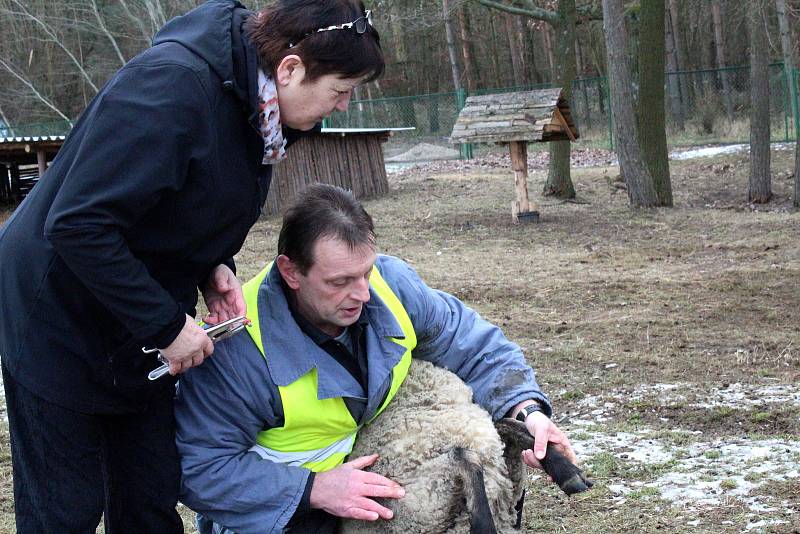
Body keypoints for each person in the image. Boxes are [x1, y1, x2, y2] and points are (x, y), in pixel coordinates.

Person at [0, 1, 383, 531]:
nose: (342, 106)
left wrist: (211, 266)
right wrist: (166, 325)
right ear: (291, 69)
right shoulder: (168, 92)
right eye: (340, 91)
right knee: (66, 509)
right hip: (57, 316)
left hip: (139, 319)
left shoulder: (261, 112)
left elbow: (180, 199)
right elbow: (77, 224)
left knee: (150, 496)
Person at [175, 184, 577, 534]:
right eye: (340, 282)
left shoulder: (389, 286)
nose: (363, 294)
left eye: (365, 272)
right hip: (277, 512)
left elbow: (473, 345)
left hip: (365, 480)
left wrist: (527, 411)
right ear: (291, 272)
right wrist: (313, 490)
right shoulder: (240, 349)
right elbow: (200, 466)